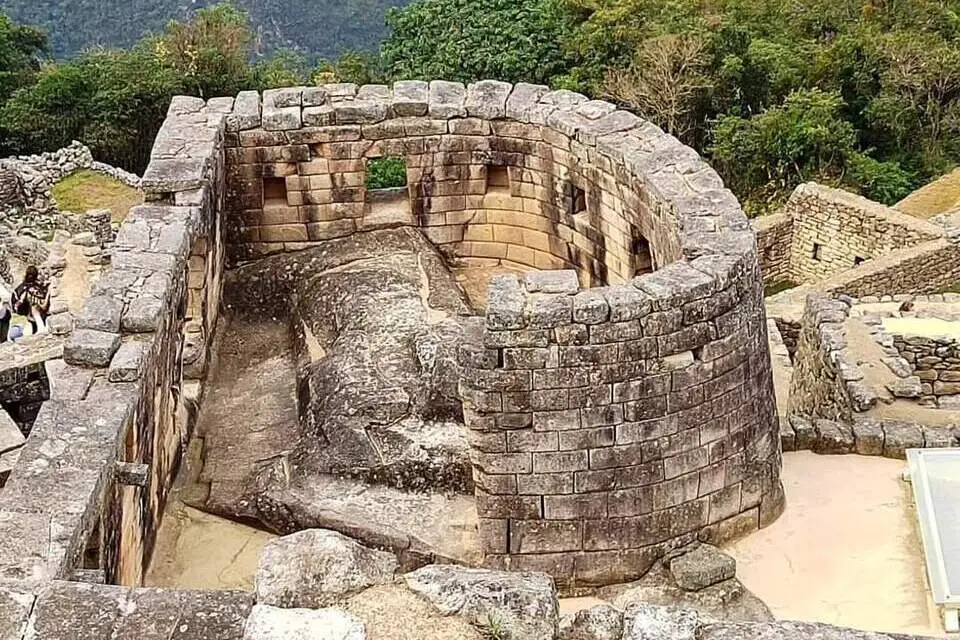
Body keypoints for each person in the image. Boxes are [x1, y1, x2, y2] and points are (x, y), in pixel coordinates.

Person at [12, 266, 49, 335]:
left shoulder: (22, 288)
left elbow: (16, 303)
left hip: (29, 315)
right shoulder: (39, 287)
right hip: (36, 313)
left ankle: (40, 328)